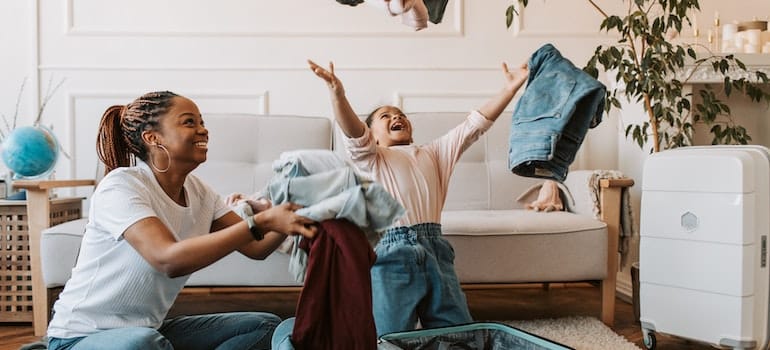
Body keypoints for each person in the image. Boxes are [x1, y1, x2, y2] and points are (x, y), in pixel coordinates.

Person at [46, 91, 318, 350]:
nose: (203, 130)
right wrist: (259, 222)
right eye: (190, 122)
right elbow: (168, 259)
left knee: (261, 326)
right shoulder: (121, 186)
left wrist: (297, 213)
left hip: (151, 331)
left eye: (202, 122)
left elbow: (257, 248)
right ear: (153, 138)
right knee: (143, 344)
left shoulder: (200, 192)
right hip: (78, 338)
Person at [308, 59, 529, 336]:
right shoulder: (372, 158)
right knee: (388, 335)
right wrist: (338, 95)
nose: (396, 117)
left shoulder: (434, 153)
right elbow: (353, 132)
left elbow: (475, 126)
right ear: (372, 136)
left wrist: (509, 90)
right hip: (390, 255)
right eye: (385, 116)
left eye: (399, 113)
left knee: (460, 335)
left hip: (436, 251)